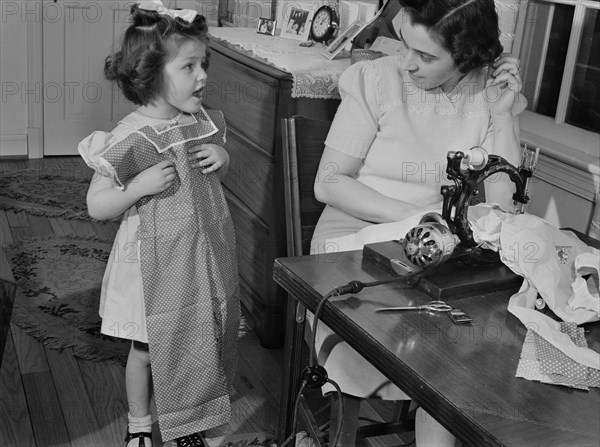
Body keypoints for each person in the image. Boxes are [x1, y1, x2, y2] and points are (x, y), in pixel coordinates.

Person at [310, 0, 525, 445]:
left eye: (426, 57)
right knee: (444, 350)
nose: (407, 64)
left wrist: (502, 115)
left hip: (438, 248)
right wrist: (419, 220)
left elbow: (504, 206)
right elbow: (329, 184)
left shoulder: (489, 94)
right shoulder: (376, 79)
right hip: (355, 230)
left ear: (466, 56)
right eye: (407, 45)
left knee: (468, 350)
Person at [77, 2, 240, 447]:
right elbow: (97, 205)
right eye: (189, 66)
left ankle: (194, 420)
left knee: (200, 338)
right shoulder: (131, 137)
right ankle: (139, 426)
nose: (203, 75)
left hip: (199, 259)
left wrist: (221, 159)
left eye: (202, 64)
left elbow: (208, 180)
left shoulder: (197, 122)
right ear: (151, 72)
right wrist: (138, 187)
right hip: (151, 266)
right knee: (147, 349)